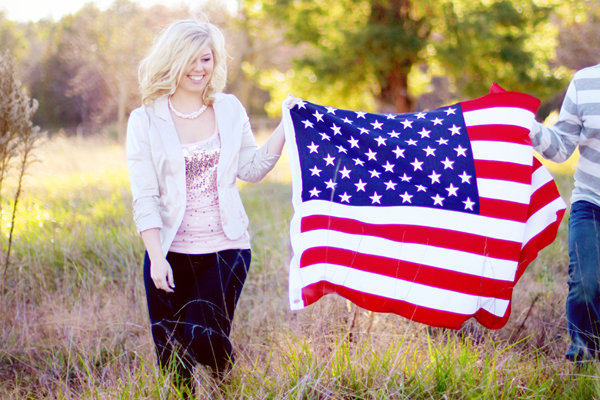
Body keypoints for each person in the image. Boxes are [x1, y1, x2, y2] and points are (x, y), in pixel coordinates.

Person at [126, 19, 294, 388]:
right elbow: (145, 196)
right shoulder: (145, 120)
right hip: (168, 252)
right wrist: (156, 258)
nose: (200, 68)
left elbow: (250, 168)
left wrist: (286, 125)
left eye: (207, 59)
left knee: (203, 337)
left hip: (226, 247)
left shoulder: (230, 109)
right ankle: (218, 387)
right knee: (173, 364)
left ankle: (228, 381)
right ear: (172, 61)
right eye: (191, 60)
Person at [529, 63, 600, 362]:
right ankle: (583, 362)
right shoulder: (585, 82)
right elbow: (560, 149)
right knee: (585, 285)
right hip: (592, 203)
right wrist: (526, 126)